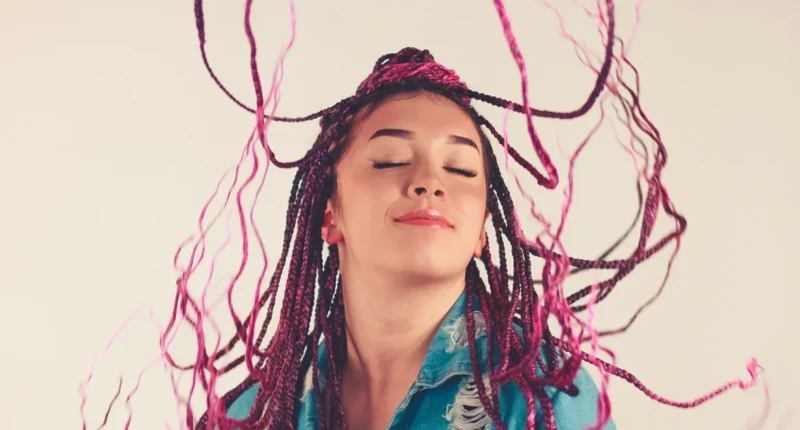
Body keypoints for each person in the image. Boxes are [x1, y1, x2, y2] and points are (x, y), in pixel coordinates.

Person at [194, 48, 618, 430]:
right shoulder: (254, 415)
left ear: (481, 231)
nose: (429, 182)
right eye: (390, 161)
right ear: (329, 213)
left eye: (460, 169)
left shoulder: (543, 394)